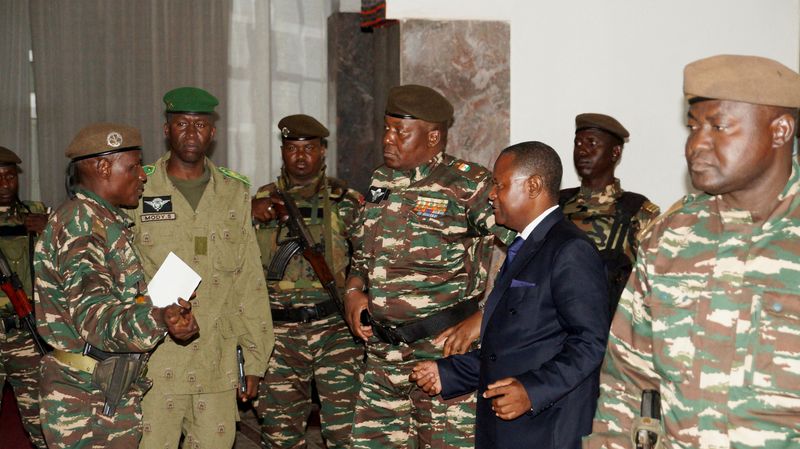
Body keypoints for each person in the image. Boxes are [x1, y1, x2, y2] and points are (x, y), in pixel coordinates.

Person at [583, 54, 800, 449]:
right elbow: (627, 382)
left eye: (719, 126)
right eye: (693, 126)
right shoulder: (673, 234)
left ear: (780, 130)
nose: (696, 144)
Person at [343, 84, 514, 449]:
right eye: (386, 128)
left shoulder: (469, 185)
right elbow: (363, 249)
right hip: (383, 357)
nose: (388, 139)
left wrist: (485, 316)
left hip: (443, 355)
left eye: (400, 132)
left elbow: (530, 251)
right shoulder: (380, 182)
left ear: (433, 137)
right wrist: (354, 289)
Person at [411, 141, 610, 449]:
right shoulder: (524, 247)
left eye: (500, 185)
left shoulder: (569, 249)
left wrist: (532, 391)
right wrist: (449, 373)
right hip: (506, 429)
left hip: (545, 429)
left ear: (533, 186)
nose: (491, 194)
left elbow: (590, 343)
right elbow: (514, 346)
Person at [34, 122, 199, 449]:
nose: (142, 175)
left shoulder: (102, 221)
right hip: (84, 404)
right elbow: (95, 320)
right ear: (103, 166)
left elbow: (117, 303)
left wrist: (163, 312)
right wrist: (157, 317)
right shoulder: (80, 225)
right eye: (134, 166)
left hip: (104, 391)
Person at [132, 87, 273, 449]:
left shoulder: (234, 191)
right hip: (156, 361)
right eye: (181, 123)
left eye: (200, 125)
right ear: (166, 129)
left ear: (213, 132)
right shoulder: (138, 189)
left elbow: (249, 280)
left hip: (217, 359)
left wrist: (254, 359)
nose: (191, 133)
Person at [252, 114, 364, 448]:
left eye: (309, 148)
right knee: (279, 434)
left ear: (322, 152)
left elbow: (368, 258)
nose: (301, 156)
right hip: (279, 334)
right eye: (292, 148)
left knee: (346, 431)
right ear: (283, 151)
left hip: (333, 328)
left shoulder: (346, 201)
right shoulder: (261, 200)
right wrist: (247, 212)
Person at [559, 113, 659, 314]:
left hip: (611, 330)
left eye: (592, 143)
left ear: (615, 153)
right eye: (577, 143)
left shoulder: (638, 211)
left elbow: (655, 282)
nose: (582, 151)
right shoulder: (555, 204)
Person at [0, 146, 48, 448]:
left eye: (9, 176)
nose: (4, 184)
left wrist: (50, 230)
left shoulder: (38, 214)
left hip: (25, 334)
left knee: (39, 420)